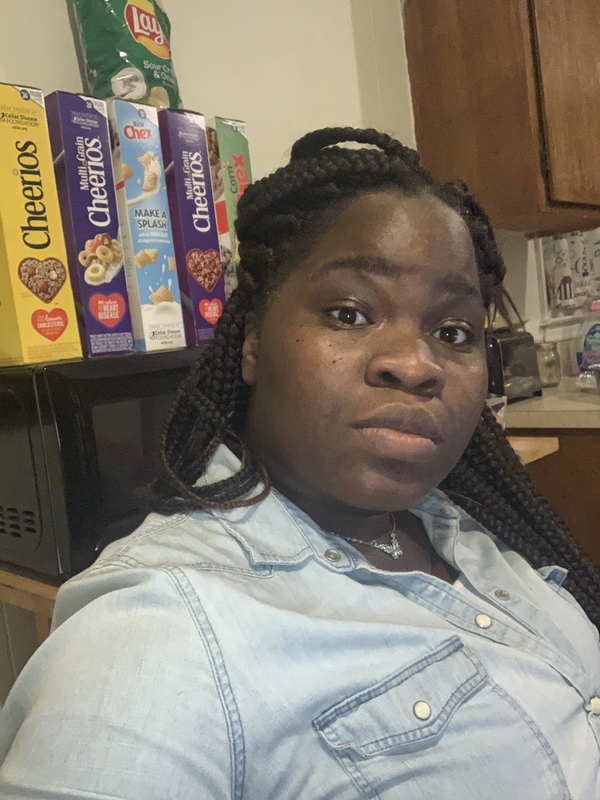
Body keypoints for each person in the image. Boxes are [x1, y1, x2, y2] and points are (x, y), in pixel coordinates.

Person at [1, 127, 599, 799]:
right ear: (253, 342)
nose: (416, 363)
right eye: (349, 313)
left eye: (452, 331)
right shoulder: (160, 631)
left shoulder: (461, 521)